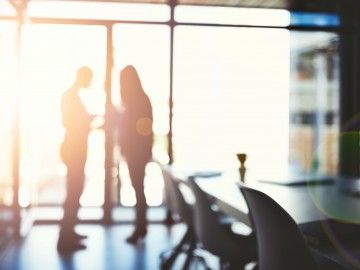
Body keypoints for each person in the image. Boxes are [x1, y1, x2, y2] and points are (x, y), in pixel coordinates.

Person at [58, 66, 93, 252]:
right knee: (73, 193)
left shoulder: (73, 96)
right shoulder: (70, 96)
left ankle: (69, 232)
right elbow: (70, 122)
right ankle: (65, 239)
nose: (91, 83)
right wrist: (87, 122)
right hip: (74, 151)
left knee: (74, 193)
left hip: (74, 150)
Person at [118, 65, 153, 243]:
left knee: (138, 190)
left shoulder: (138, 101)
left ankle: (140, 227)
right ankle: (141, 226)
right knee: (139, 190)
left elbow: (142, 128)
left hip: (137, 154)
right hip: (136, 153)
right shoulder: (138, 100)